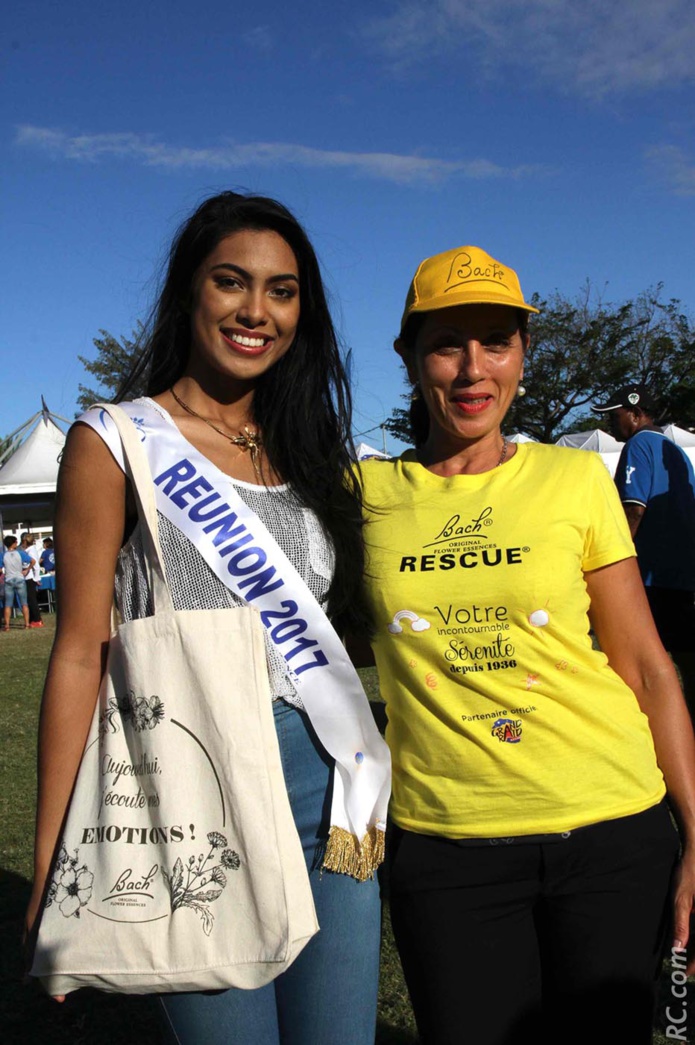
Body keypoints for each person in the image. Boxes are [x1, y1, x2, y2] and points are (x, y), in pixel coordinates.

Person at [26, 191, 388, 1045]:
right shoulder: (114, 440)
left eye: (283, 290)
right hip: (194, 792)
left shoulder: (310, 451)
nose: (256, 311)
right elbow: (80, 650)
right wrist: (52, 860)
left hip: (331, 798)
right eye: (232, 282)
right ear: (190, 291)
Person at [354, 246, 695, 1045]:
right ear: (408, 359)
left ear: (522, 355)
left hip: (612, 829)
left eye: (495, 341)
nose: (472, 368)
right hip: (448, 848)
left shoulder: (574, 481)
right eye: (446, 343)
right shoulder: (364, 495)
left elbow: (646, 667)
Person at [595, 384, 695, 716]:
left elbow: (633, 509)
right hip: (682, 572)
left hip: (653, 575)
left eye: (615, 416)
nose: (610, 424)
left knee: (636, 661)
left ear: (636, 414)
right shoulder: (674, 450)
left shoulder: (638, 445)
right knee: (682, 654)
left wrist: (614, 560)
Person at [1, 534, 32, 630]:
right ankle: (27, 624)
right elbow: (33, 561)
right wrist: (27, 570)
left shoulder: (3, 555)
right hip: (19, 578)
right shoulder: (20, 553)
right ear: (14, 543)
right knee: (24, 603)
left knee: (8, 604)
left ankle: (7, 625)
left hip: (9, 580)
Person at [21, 532, 44, 627]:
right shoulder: (28, 550)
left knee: (32, 600)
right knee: (29, 599)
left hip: (30, 578)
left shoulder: (31, 551)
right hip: (28, 578)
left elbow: (36, 566)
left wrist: (36, 578)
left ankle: (37, 620)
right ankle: (32, 619)